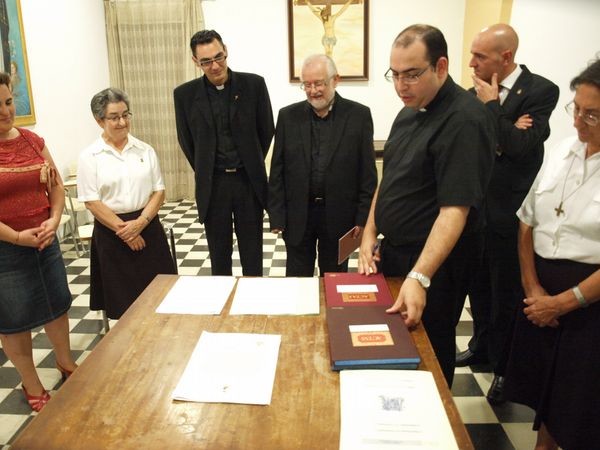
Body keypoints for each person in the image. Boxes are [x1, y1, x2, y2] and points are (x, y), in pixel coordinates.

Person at [358, 24, 495, 386]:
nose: (401, 85)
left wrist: (420, 276)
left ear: (441, 67)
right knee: (393, 337)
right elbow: (389, 178)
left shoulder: (465, 119)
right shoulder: (409, 111)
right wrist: (370, 232)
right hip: (397, 251)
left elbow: (455, 210)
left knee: (429, 344)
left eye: (412, 74)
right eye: (395, 74)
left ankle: (434, 410)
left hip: (438, 262)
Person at [455, 24, 560, 404]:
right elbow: (475, 145)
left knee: (506, 295)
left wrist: (493, 110)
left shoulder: (540, 90)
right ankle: (481, 347)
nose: (471, 63)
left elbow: (519, 146)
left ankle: (503, 369)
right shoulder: (473, 93)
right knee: (478, 287)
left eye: (479, 56)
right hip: (477, 209)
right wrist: (505, 127)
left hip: (510, 214)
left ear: (506, 57)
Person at [503, 58, 600, 450]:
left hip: (588, 307)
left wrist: (562, 303)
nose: (578, 122)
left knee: (578, 406)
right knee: (547, 396)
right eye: (575, 109)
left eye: (591, 115)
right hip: (540, 295)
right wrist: (533, 288)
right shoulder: (562, 150)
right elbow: (527, 220)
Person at [0, 72, 77, 411]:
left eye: (8, 102)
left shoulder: (32, 140)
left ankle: (65, 362)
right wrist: (17, 237)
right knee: (14, 320)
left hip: (45, 241)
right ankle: (31, 383)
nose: (6, 111)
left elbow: (56, 185)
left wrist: (54, 219)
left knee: (56, 306)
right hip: (5, 251)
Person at [174, 30, 274, 276]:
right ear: (195, 61)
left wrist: (250, 161)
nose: (215, 66)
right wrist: (206, 167)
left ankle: (253, 298)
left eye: (218, 57)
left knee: (252, 253)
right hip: (213, 184)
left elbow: (266, 130)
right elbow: (186, 140)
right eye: (206, 61)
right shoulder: (184, 95)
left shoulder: (254, 85)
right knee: (219, 255)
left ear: (226, 50)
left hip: (247, 182)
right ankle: (223, 299)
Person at [268, 54, 376, 276]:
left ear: (336, 80)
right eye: (306, 85)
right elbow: (278, 170)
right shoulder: (287, 116)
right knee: (297, 280)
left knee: (335, 280)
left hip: (340, 217)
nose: (313, 90)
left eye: (319, 83)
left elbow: (367, 174)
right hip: (298, 217)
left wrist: (363, 219)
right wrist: (277, 215)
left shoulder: (359, 116)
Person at [77, 88, 176, 319]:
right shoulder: (90, 156)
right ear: (99, 120)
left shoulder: (145, 150)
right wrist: (127, 233)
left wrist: (140, 223)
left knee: (160, 296)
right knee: (123, 302)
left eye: (125, 115)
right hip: (112, 232)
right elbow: (92, 202)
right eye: (114, 117)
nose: (122, 122)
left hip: (147, 226)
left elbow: (159, 191)